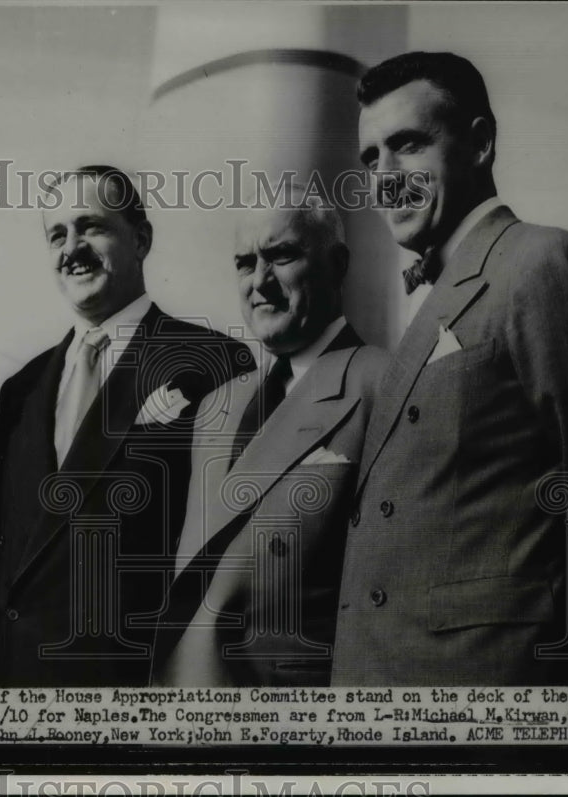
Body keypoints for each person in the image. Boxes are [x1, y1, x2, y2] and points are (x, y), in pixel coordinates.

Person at [333, 52, 568, 685]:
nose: (387, 179)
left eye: (409, 145)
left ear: (480, 144)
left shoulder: (538, 264)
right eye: (370, 160)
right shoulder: (440, 296)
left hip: (486, 695)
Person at [0, 166, 253, 686]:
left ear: (141, 238)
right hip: (21, 688)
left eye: (92, 226)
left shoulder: (213, 362)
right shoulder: (19, 391)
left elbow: (227, 553)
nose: (73, 247)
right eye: (57, 234)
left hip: (135, 682)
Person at [151, 194, 388, 686]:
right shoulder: (217, 407)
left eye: (281, 256)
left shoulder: (386, 385)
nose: (259, 282)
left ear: (336, 264)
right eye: (244, 263)